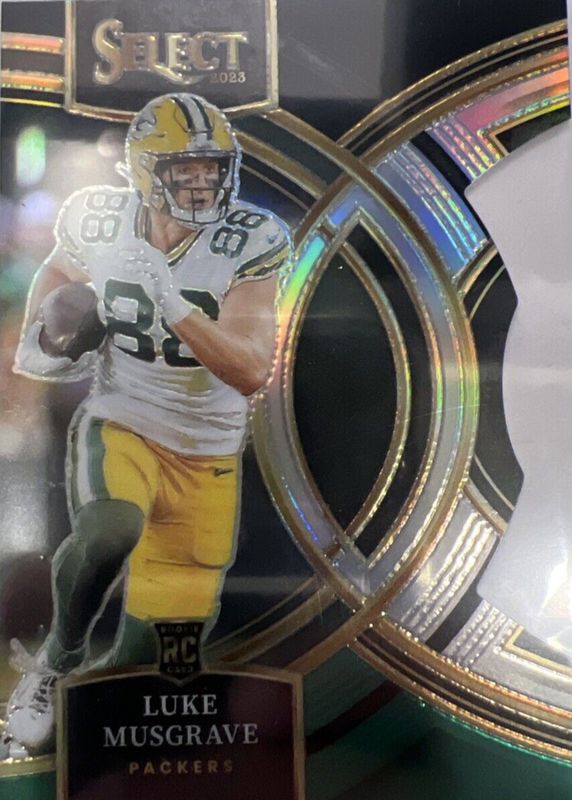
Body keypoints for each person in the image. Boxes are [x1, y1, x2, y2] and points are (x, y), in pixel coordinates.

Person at [4, 92, 291, 756]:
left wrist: (172, 301)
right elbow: (56, 288)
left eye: (212, 168)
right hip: (124, 418)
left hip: (209, 449)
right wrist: (50, 338)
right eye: (185, 169)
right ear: (143, 170)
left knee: (157, 654)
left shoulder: (250, 239)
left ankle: (86, 719)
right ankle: (55, 661)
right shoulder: (98, 218)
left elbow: (251, 371)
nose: (202, 183)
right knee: (111, 529)